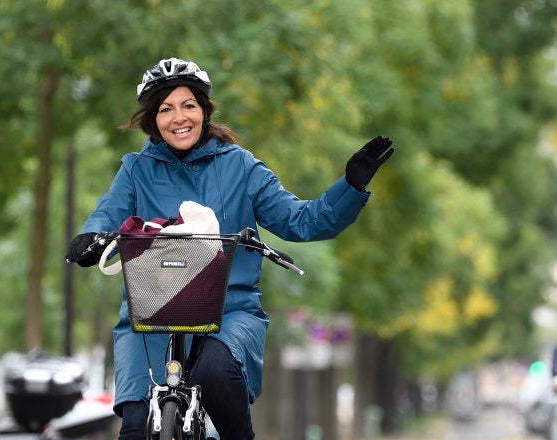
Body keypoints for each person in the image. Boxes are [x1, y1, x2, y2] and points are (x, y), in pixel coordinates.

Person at [65, 57, 394, 440]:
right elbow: (108, 214)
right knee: (136, 426)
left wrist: (350, 187)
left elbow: (301, 221)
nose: (179, 117)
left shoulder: (242, 167)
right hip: (150, 314)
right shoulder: (135, 170)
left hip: (229, 312)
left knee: (214, 371)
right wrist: (91, 237)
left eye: (188, 105)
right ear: (153, 119)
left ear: (204, 111)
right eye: (166, 109)